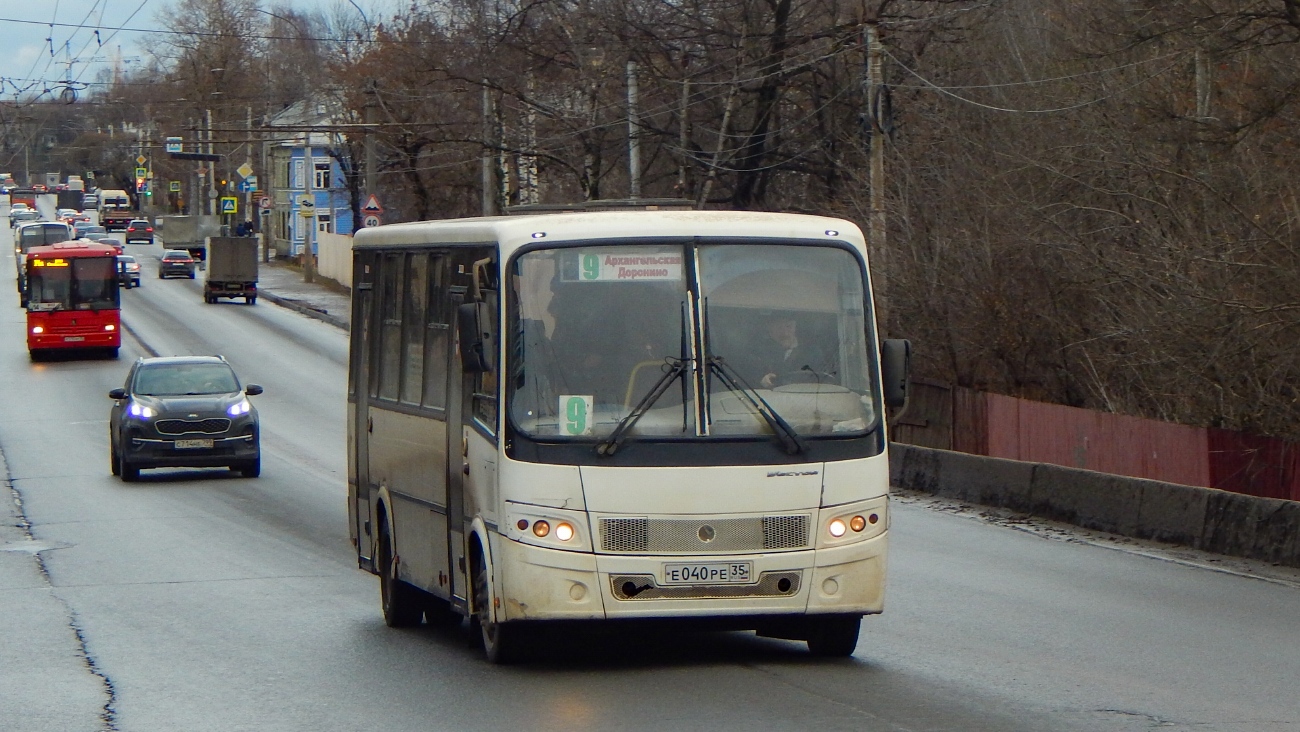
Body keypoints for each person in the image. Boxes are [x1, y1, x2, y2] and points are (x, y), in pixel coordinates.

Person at [746, 313, 825, 388]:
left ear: (795, 328)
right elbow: (748, 379)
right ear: (770, 331)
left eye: (788, 326)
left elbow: (822, 381)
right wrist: (762, 380)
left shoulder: (812, 352)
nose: (785, 333)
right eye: (779, 328)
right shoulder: (759, 352)